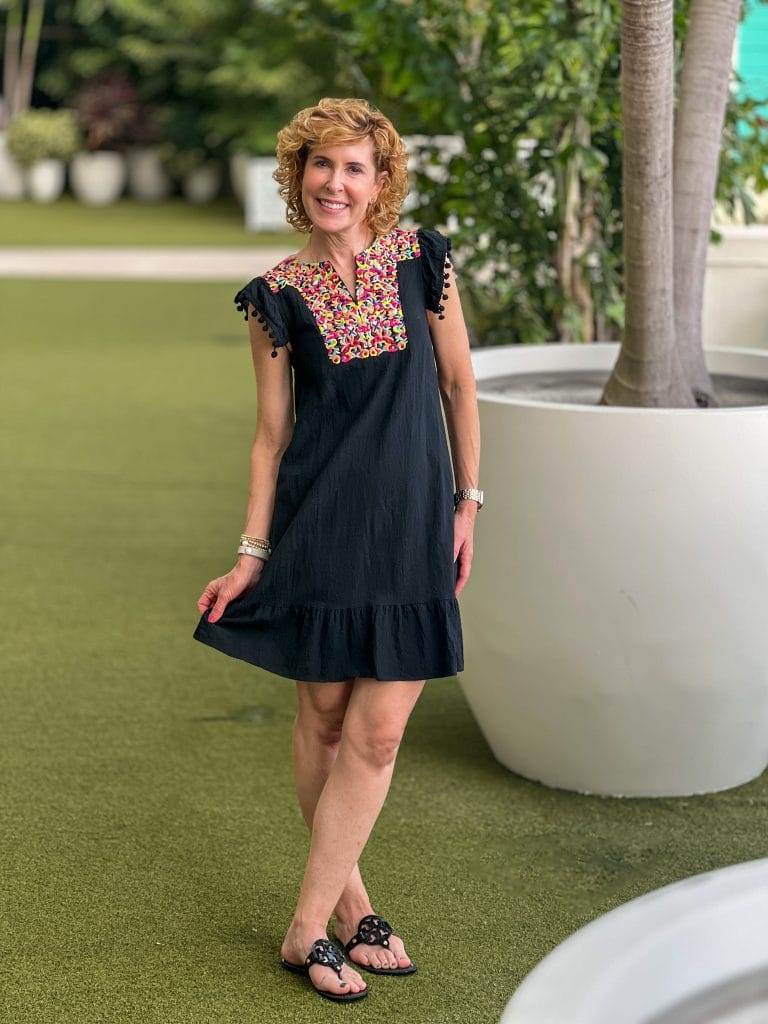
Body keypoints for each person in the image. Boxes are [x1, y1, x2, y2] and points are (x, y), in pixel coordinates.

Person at [192, 97, 482, 1003]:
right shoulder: (275, 296)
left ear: (381, 180)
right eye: (322, 165)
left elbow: (459, 386)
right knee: (322, 721)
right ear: (298, 175)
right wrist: (250, 552)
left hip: (411, 525)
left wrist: (468, 501)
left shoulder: (422, 262)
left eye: (356, 167)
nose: (336, 183)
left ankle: (305, 930)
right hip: (320, 528)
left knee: (381, 731)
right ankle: (353, 911)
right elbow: (270, 437)